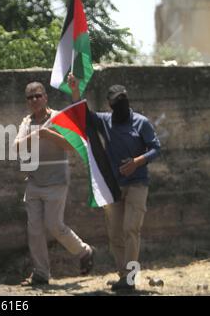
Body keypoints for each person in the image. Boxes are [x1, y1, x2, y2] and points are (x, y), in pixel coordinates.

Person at [68, 74, 161, 291]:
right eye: (115, 103)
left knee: (131, 229)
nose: (120, 106)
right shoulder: (105, 120)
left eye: (123, 101)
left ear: (127, 101)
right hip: (114, 186)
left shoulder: (141, 122)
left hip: (138, 183)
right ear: (110, 105)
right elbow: (82, 116)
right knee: (115, 233)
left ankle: (130, 277)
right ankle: (124, 277)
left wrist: (137, 162)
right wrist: (75, 90)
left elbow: (156, 148)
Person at [13, 82, 94, 286]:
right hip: (34, 182)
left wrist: (49, 134)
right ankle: (41, 273)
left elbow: (72, 145)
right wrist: (36, 134)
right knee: (35, 230)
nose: (34, 100)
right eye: (30, 97)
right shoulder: (27, 122)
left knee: (55, 225)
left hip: (56, 181)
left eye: (37, 96)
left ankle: (84, 251)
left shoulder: (58, 118)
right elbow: (16, 146)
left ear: (45, 97)